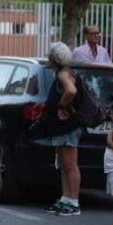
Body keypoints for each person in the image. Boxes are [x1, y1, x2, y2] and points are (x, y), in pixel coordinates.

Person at [40, 42, 84, 216]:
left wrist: (61, 105)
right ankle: (65, 198)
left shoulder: (63, 74)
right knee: (65, 164)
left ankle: (73, 201)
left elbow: (71, 91)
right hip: (62, 127)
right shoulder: (63, 72)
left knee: (70, 164)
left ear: (54, 58)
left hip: (67, 126)